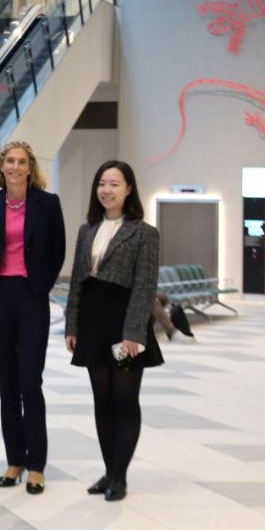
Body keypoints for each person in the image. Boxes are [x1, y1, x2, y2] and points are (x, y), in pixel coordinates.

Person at [64, 160, 164, 502]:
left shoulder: (144, 232)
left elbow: (144, 287)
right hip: (93, 321)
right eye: (102, 183)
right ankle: (109, 470)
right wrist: (72, 325)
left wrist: (134, 333)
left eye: (114, 184)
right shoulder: (87, 230)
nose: (106, 190)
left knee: (124, 399)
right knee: (102, 401)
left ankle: (119, 477)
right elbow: (78, 282)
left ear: (129, 189)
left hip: (124, 325)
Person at [0, 141, 65, 494]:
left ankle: (36, 464)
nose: (14, 167)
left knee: (31, 382)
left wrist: (39, 287)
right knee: (7, 385)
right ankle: (14, 460)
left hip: (31, 298)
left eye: (21, 162)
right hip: (0, 297)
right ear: (1, 167)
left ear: (31, 168)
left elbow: (58, 250)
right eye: (9, 161)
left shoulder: (47, 203)